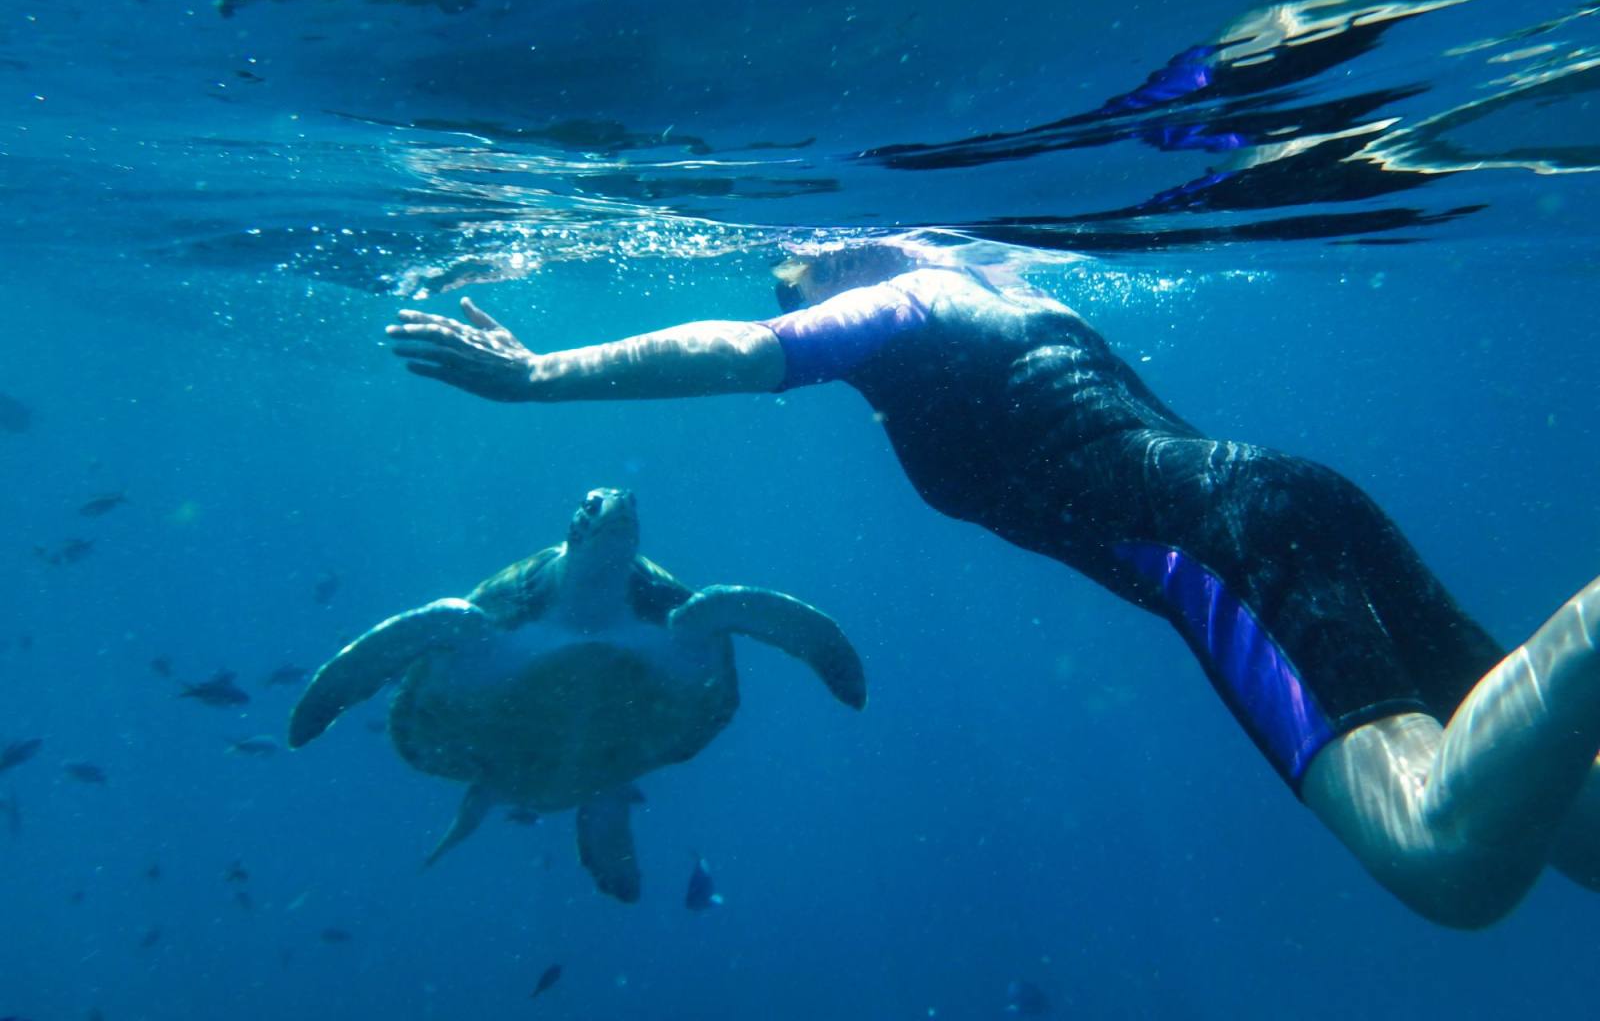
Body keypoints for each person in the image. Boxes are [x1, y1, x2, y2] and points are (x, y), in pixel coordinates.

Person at [387, 237, 1600, 929]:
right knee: (1582, 829)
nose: (782, 287)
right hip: (1291, 498)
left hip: (1227, 546)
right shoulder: (1016, 294)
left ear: (853, 261)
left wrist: (539, 376)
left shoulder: (907, 304)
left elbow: (740, 353)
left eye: (793, 275)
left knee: (1443, 858)